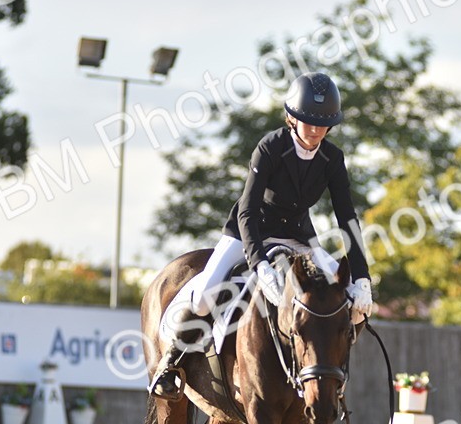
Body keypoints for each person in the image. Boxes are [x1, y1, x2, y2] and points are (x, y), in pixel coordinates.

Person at [149, 71, 376, 400]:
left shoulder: (332, 158)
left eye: (323, 124)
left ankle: (327, 376)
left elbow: (347, 218)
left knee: (355, 306)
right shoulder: (271, 147)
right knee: (204, 295)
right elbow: (248, 210)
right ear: (292, 118)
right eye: (308, 122)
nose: (315, 131)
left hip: (298, 238)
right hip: (249, 232)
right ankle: (170, 364)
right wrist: (260, 265)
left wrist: (362, 277)